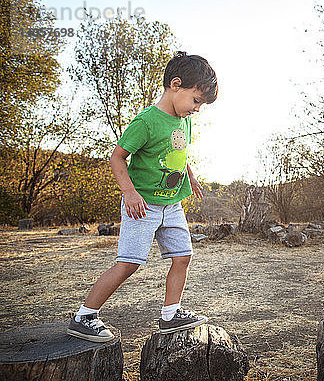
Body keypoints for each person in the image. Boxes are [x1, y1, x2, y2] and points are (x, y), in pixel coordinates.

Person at [67, 52, 218, 342]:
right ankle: (84, 315)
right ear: (176, 85)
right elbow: (117, 158)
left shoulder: (183, 120)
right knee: (129, 263)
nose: (197, 109)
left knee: (183, 256)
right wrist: (129, 192)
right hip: (142, 205)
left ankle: (171, 314)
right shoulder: (146, 121)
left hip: (171, 205)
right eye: (196, 100)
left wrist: (191, 175)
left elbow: (178, 153)